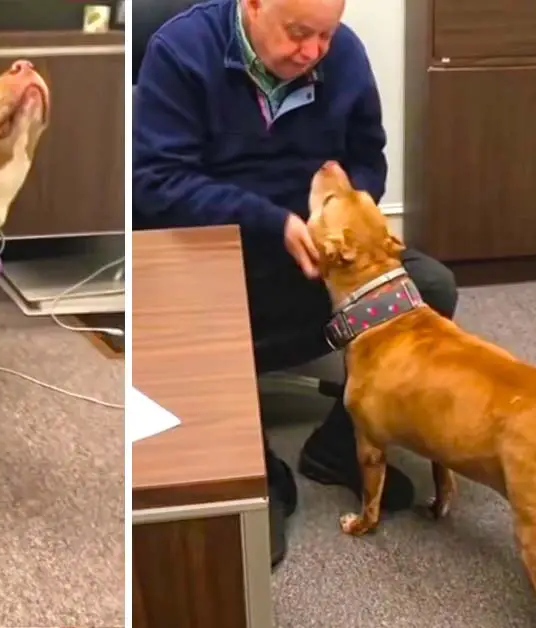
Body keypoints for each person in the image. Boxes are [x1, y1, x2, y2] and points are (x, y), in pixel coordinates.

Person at [132, 0, 460, 567]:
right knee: (186, 331)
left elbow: (368, 161)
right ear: (253, 6)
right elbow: (155, 186)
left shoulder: (346, 56)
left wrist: (344, 226)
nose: (312, 52)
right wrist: (273, 222)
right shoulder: (181, 53)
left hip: (316, 260)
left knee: (428, 289)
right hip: (212, 256)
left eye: (324, 36)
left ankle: (340, 447)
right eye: (298, 33)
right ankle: (258, 475)